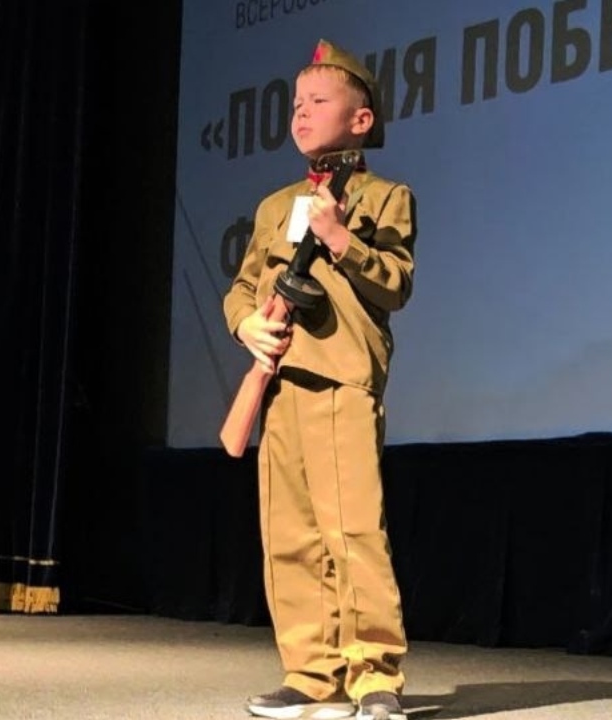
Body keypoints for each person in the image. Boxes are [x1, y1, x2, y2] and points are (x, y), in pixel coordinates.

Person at [222, 39, 416, 720]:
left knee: (352, 531)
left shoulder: (384, 197)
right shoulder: (277, 205)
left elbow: (395, 283)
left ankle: (374, 676)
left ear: (360, 120)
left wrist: (340, 239)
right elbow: (243, 286)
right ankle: (310, 672)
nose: (300, 112)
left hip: (341, 379)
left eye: (318, 101)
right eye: (296, 103)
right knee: (290, 536)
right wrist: (247, 324)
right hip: (279, 385)